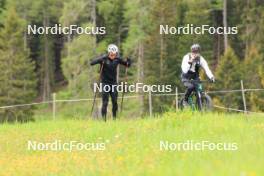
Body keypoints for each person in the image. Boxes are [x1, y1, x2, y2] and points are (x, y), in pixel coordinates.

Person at [90, 44, 131, 120]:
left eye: (115, 54)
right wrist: (99, 60)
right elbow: (92, 63)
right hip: (105, 83)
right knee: (105, 102)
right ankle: (104, 120)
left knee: (115, 102)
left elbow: (127, 65)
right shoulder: (104, 59)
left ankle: (115, 119)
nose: (113, 55)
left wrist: (129, 61)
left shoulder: (118, 59)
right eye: (112, 54)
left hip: (113, 84)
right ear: (109, 52)